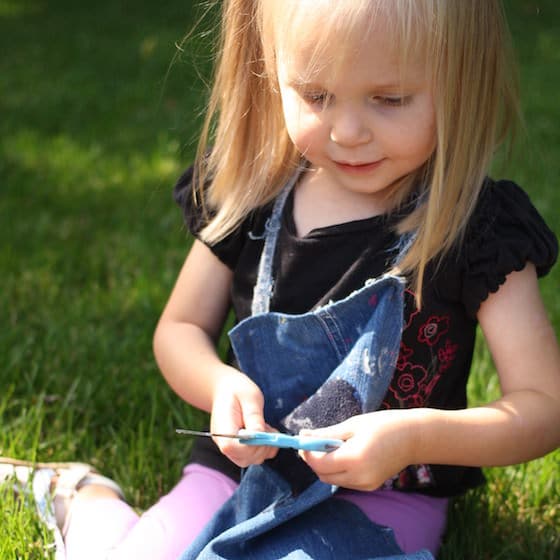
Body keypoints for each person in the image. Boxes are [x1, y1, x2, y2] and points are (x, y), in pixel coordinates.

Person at [2, 0, 559, 558]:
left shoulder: (476, 229)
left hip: (381, 499)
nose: (347, 130)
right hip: (237, 472)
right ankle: (84, 497)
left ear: (463, 78)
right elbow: (179, 328)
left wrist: (412, 437)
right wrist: (219, 384)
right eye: (316, 96)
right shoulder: (253, 196)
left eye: (389, 99)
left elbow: (542, 406)